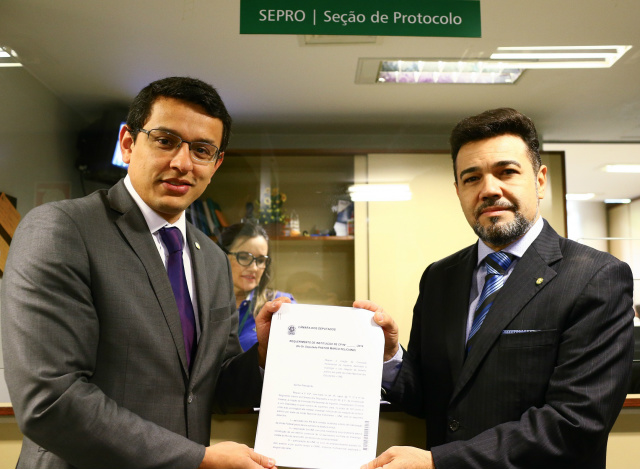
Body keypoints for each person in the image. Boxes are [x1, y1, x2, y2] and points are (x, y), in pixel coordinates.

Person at [1, 77, 289, 469]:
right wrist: (197, 459)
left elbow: (212, 385)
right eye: (165, 140)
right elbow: (51, 399)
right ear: (128, 143)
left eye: (202, 150)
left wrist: (262, 353)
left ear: (216, 163)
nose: (182, 163)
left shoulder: (213, 261)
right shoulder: (62, 230)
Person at [356, 108, 634, 469]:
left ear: (539, 179)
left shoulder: (597, 276)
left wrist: (440, 462)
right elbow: (433, 397)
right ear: (458, 191)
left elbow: (575, 423)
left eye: (507, 172)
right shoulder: (440, 277)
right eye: (472, 178)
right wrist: (390, 355)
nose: (489, 189)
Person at [219, 222, 296, 351]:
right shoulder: (205, 301)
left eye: (260, 260)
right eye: (243, 257)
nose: (254, 268)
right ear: (222, 256)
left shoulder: (279, 304)